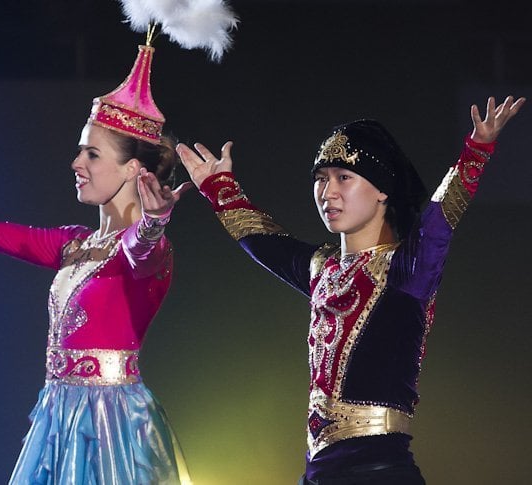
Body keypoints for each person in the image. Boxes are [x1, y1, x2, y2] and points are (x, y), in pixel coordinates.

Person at [0, 44, 192, 485]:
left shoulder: (140, 251)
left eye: (92, 154)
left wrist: (155, 221)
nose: (76, 163)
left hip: (112, 424)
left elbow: (144, 249)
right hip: (58, 416)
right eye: (80, 151)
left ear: (133, 169)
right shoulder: (75, 243)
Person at [176, 95, 525, 484]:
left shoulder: (408, 270)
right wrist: (218, 184)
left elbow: (442, 217)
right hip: (315, 474)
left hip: (379, 473)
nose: (328, 193)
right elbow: (260, 238)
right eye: (320, 179)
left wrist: (477, 150)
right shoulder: (321, 269)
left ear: (382, 190)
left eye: (344, 177)